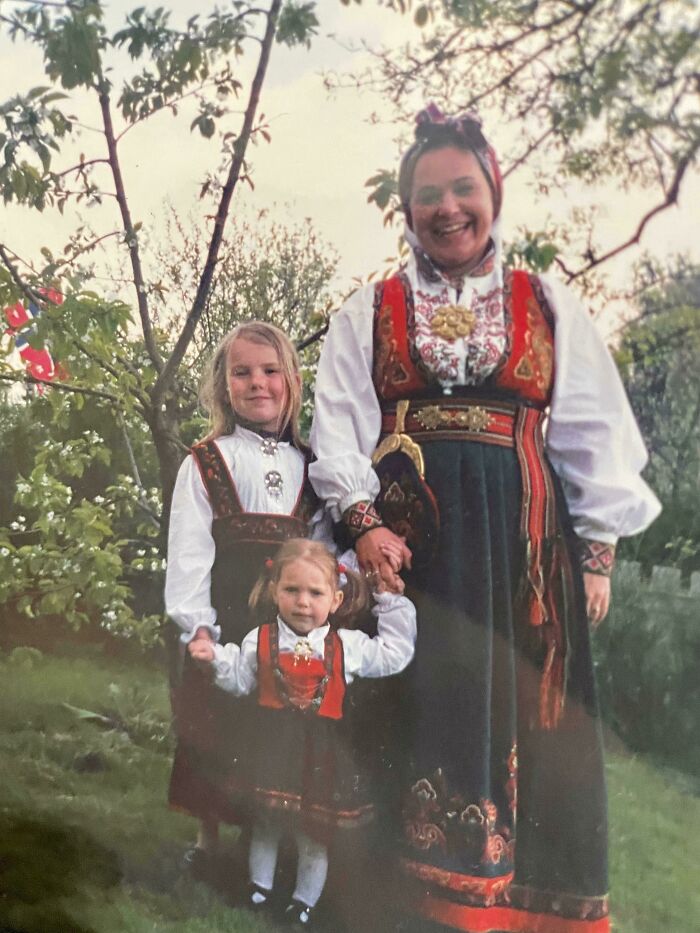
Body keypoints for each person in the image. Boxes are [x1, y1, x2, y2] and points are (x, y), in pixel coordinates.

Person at [309, 105, 661, 933]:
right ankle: (392, 904)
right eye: (427, 193)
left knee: (529, 727)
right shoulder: (373, 307)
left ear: (493, 193)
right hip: (413, 554)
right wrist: (362, 526)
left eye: (463, 187)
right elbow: (339, 424)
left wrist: (598, 552)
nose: (447, 207)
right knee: (411, 704)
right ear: (407, 208)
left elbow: (589, 432)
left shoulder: (547, 306)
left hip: (522, 557)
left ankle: (518, 911)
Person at [188, 538, 417, 927]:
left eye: (315, 592)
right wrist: (214, 659)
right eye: (292, 590)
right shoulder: (258, 640)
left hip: (321, 754)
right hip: (271, 748)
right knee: (267, 823)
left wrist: (390, 602)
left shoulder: (348, 645)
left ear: (336, 600)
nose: (303, 602)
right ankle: (259, 889)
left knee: (314, 833)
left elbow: (393, 653)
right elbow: (240, 678)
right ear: (275, 590)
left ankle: (303, 900)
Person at [165, 320, 325, 878]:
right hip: (227, 615)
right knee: (215, 725)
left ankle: (271, 840)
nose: (257, 383)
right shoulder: (206, 460)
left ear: (291, 380)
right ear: (223, 385)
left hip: (291, 621)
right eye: (242, 372)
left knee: (279, 730)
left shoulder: (312, 466)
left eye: (269, 370)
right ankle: (209, 841)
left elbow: (324, 551)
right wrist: (198, 626)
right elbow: (189, 553)